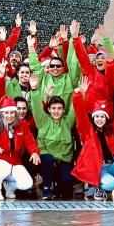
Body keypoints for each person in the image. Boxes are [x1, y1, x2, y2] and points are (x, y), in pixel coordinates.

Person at [72, 78, 114, 201]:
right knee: (110, 184)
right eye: (97, 116)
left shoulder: (111, 132)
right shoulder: (88, 131)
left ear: (106, 118)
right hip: (97, 168)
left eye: (102, 116)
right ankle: (97, 186)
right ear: (93, 118)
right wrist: (78, 95)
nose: (99, 119)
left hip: (110, 166)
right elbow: (80, 114)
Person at [0, 95, 41, 201]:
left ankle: (9, 188)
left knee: (27, 183)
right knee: (2, 165)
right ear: (1, 113)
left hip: (13, 162)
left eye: (12, 112)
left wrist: (34, 152)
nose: (9, 116)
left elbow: (30, 140)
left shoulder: (22, 124)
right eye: (6, 113)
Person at [29, 71, 76, 200]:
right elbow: (37, 107)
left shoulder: (67, 121)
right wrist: (34, 89)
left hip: (63, 160)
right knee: (48, 159)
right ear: (49, 109)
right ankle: (46, 187)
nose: (56, 111)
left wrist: (79, 93)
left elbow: (74, 108)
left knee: (67, 181)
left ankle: (58, 184)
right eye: (53, 108)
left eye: (59, 108)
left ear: (63, 109)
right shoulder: (43, 120)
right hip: (46, 160)